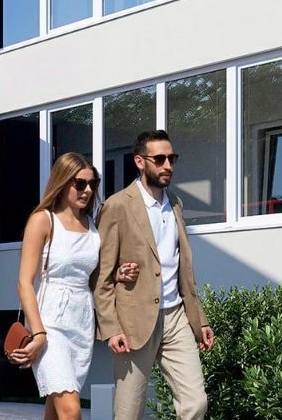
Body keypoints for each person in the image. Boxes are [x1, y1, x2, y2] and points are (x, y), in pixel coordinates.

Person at [93, 130, 216, 419]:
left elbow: (183, 268)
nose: (168, 165)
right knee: (129, 411)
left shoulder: (175, 203)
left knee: (196, 403)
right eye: (159, 159)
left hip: (176, 316)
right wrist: (111, 327)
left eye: (172, 158)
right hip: (133, 321)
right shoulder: (117, 206)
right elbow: (101, 274)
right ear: (140, 161)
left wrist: (199, 320)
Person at [9, 152, 139, 420]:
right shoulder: (43, 220)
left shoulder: (92, 225)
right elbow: (24, 282)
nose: (88, 190)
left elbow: (91, 276)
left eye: (93, 183)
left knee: (56, 412)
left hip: (81, 321)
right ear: (62, 182)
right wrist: (39, 333)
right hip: (50, 322)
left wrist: (117, 275)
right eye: (80, 184)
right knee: (71, 411)